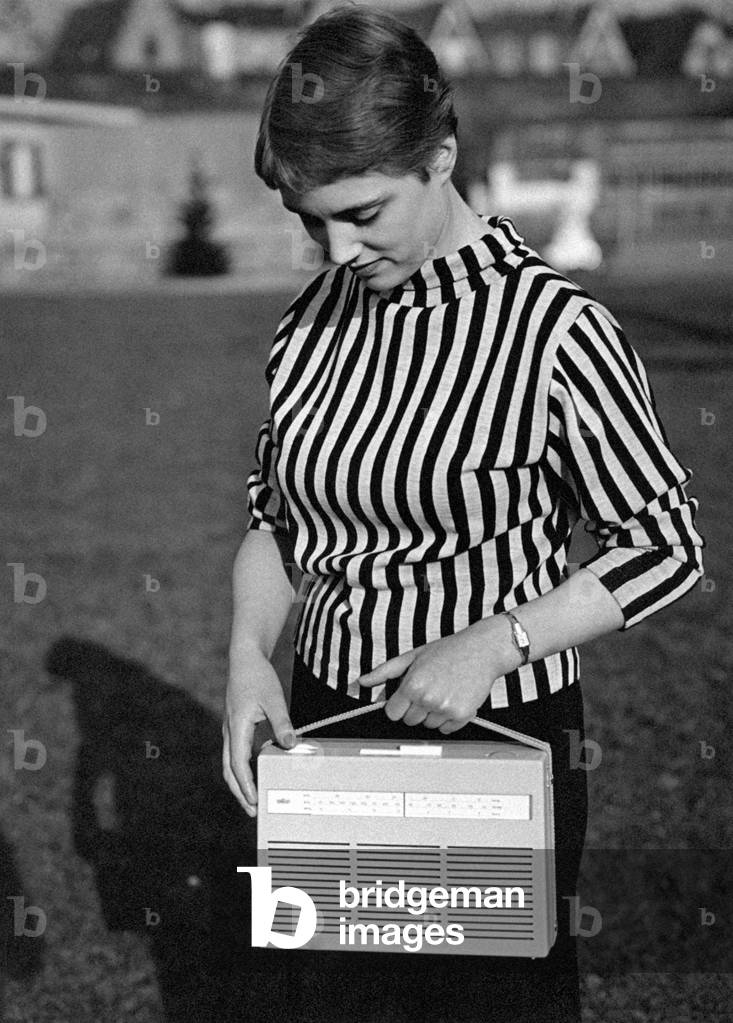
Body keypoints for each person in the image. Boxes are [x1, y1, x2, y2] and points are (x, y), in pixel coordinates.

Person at [222, 6, 705, 1022]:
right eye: (311, 223)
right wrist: (247, 659)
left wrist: (496, 641)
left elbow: (665, 549)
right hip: (328, 726)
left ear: (440, 157)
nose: (336, 249)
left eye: (362, 214)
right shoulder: (308, 323)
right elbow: (273, 520)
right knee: (342, 1002)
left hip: (496, 739)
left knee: (486, 1006)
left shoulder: (554, 330)